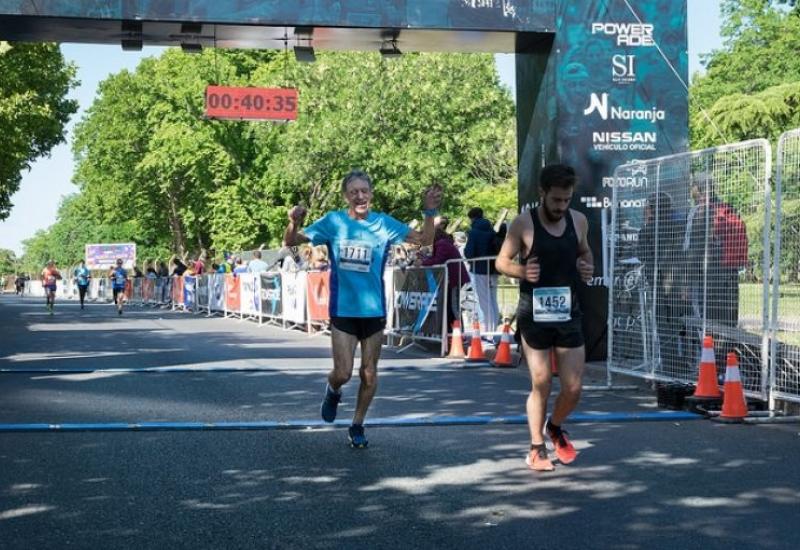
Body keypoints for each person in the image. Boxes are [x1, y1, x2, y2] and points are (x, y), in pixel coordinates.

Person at [283, 169, 442, 448]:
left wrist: (430, 212)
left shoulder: (383, 224)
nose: (360, 196)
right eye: (354, 192)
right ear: (346, 196)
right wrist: (294, 223)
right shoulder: (333, 222)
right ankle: (332, 389)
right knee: (343, 372)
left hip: (374, 310)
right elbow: (291, 243)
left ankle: (357, 424)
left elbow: (424, 241)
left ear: (370, 194)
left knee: (369, 373)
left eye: (364, 191)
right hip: (343, 309)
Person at [495, 164, 593, 472]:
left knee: (574, 388)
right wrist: (522, 271)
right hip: (534, 312)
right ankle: (536, 448)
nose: (561, 207)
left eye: (566, 200)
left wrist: (586, 267)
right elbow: (501, 262)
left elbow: (585, 254)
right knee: (540, 382)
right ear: (542, 194)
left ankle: (555, 426)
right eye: (556, 201)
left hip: (568, 311)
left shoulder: (578, 221)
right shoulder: (523, 224)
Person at [683, 173, 745, 327]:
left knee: (710, 323)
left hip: (709, 275)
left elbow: (695, 250)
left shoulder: (700, 212)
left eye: (693, 187)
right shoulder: (728, 208)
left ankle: (712, 351)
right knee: (728, 319)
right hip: (730, 271)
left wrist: (687, 282)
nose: (691, 191)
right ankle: (728, 350)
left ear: (698, 188)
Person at [638, 192, 685, 376]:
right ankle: (680, 363)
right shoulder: (678, 227)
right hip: (677, 283)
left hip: (657, 284)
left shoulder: (647, 230)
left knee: (663, 325)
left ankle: (668, 366)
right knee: (678, 324)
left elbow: (643, 257)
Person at [418, 226, 470, 331]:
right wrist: (424, 258)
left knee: (453, 306)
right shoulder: (441, 244)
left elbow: (438, 260)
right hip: (450, 279)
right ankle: (450, 331)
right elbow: (436, 258)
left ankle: (459, 332)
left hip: (454, 279)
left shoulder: (442, 244)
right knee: (449, 306)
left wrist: (422, 262)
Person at [464, 207, 500, 336]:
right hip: (494, 269)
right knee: (493, 300)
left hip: (480, 269)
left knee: (484, 301)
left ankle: (489, 333)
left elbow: (469, 252)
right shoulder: (492, 230)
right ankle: (494, 330)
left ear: (472, 218)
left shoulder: (474, 232)